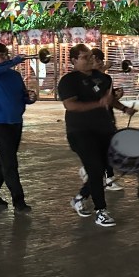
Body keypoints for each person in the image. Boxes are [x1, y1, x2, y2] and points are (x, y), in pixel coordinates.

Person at [58, 43, 117, 227]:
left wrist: (123, 107)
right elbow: (71, 105)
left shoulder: (103, 78)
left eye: (91, 56)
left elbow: (109, 100)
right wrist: (99, 104)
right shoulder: (68, 81)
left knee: (102, 169)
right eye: (85, 57)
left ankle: (81, 197)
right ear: (74, 60)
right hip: (81, 131)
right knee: (95, 169)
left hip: (105, 129)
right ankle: (101, 211)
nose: (91, 60)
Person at [0, 43, 37, 211]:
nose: (6, 57)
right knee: (10, 162)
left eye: (6, 54)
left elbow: (23, 96)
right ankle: (18, 201)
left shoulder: (15, 76)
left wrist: (30, 98)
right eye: (1, 55)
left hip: (15, 120)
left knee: (5, 159)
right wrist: (14, 61)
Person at [87, 47, 134, 193]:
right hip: (91, 121)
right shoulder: (84, 78)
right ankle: (90, 178)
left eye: (100, 59)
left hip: (107, 119)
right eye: (95, 59)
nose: (99, 62)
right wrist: (102, 72)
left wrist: (124, 108)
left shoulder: (107, 79)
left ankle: (109, 178)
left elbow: (109, 99)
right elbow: (91, 93)